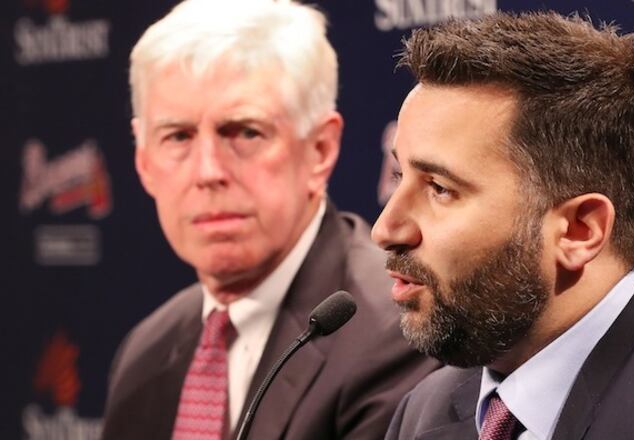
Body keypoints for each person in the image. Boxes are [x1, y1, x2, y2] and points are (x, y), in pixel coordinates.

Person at [373, 11, 634, 440]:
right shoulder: (426, 409)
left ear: (579, 230)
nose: (385, 230)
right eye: (400, 176)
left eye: (440, 188)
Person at [100, 1, 439, 439]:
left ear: (320, 150)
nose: (208, 172)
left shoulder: (398, 329)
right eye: (178, 136)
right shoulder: (146, 350)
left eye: (245, 132)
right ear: (144, 162)